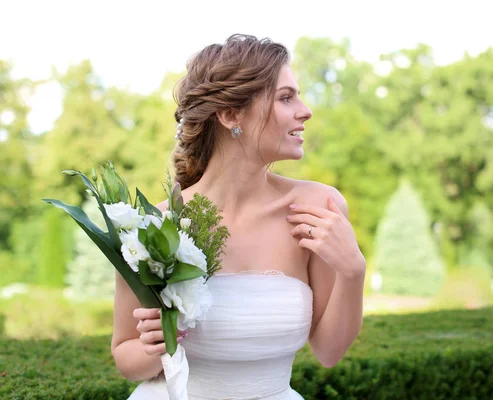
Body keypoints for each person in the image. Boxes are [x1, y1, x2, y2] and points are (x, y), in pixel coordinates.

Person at [111, 33, 366, 399]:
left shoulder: (318, 207)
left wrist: (353, 271)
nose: (305, 110)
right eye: (286, 97)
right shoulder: (154, 225)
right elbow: (125, 356)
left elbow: (329, 351)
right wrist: (158, 345)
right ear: (231, 114)